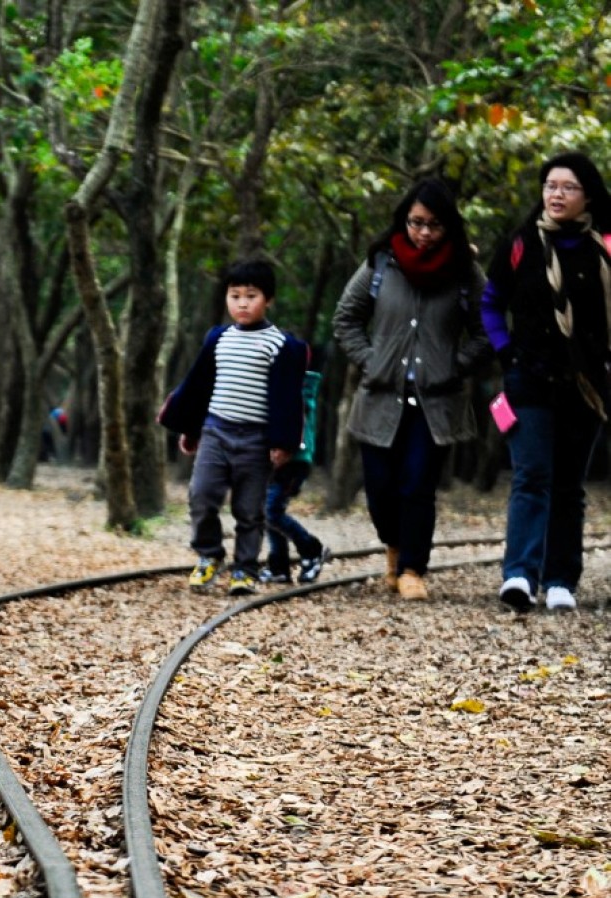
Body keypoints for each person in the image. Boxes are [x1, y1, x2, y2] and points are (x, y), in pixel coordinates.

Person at [332, 180, 487, 600]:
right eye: (416, 222)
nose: (423, 233)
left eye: (433, 225)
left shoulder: (466, 272)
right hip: (381, 396)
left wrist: (456, 366)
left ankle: (412, 569)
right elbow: (346, 318)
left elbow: (487, 328)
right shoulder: (380, 265)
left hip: (436, 401)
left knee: (418, 485)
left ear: (448, 226)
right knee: (381, 487)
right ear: (404, 220)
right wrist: (371, 360)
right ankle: (394, 548)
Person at [482, 152, 611, 612]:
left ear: (588, 195)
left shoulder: (605, 245)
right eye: (550, 186)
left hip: (587, 385)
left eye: (568, 187)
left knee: (568, 484)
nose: (556, 195)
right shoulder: (522, 243)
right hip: (529, 380)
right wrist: (505, 350)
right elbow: (491, 301)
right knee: (531, 475)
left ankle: (561, 579)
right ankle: (519, 574)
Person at [159, 258, 310, 595]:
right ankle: (209, 554)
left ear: (268, 299)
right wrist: (191, 429)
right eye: (235, 295)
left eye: (251, 295)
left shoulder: (281, 345)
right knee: (201, 495)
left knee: (249, 508)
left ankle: (245, 569)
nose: (242, 303)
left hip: (255, 439)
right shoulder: (218, 338)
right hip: (215, 431)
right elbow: (199, 386)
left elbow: (288, 398)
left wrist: (283, 442)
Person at [259, 371, 331, 585]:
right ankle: (279, 567)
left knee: (270, 511)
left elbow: (297, 417)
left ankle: (311, 550)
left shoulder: (295, 389)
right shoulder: (279, 385)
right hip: (274, 459)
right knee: (269, 512)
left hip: (293, 461)